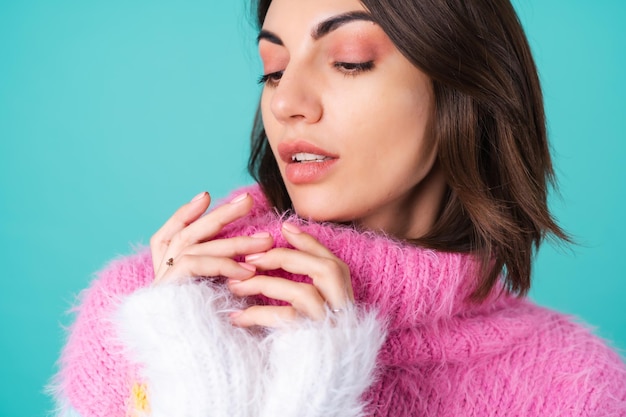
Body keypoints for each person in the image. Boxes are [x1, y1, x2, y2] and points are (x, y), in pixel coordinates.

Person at [50, 0, 626, 416]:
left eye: (349, 61)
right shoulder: (146, 320)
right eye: (273, 69)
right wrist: (198, 378)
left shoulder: (579, 388)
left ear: (465, 84)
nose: (286, 102)